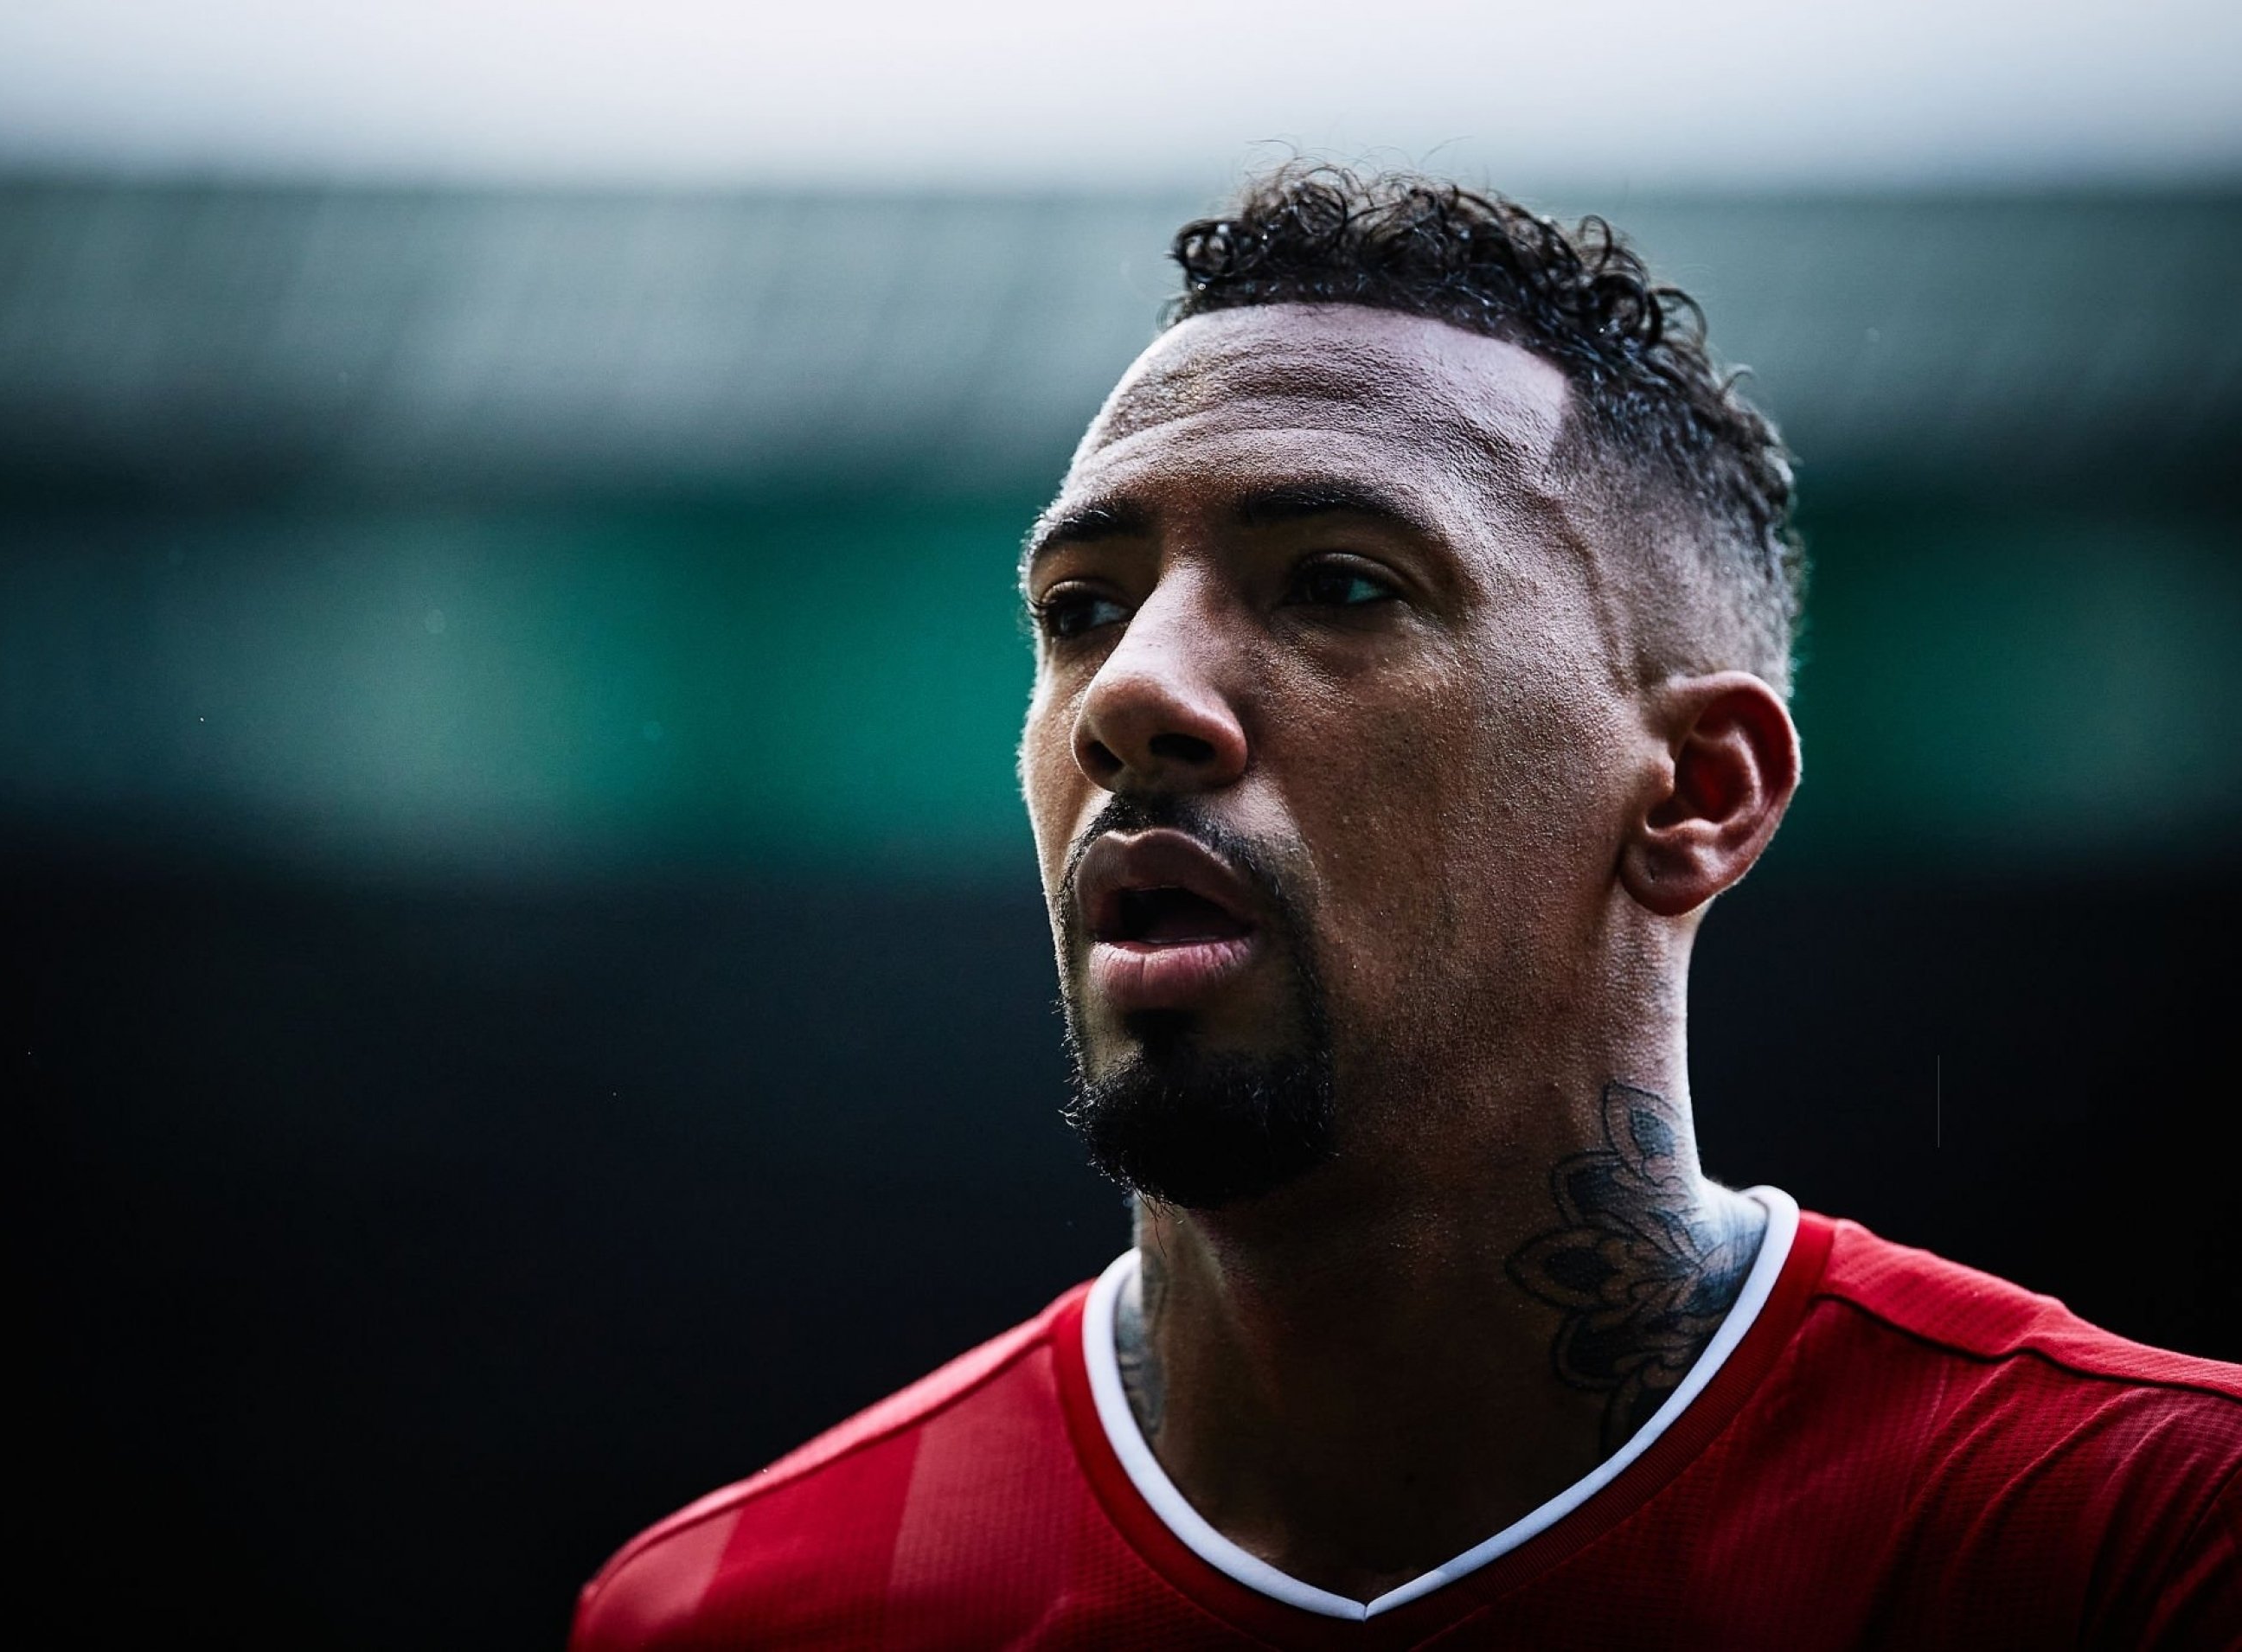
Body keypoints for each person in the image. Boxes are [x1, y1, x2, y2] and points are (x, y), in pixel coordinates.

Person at [568, 167, 2241, 1649]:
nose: (1132, 693)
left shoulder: (2134, 1541)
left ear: (1697, 790)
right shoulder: (745, 1614)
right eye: (1081, 608)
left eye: (1339, 582)